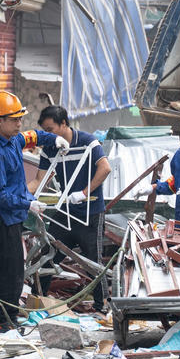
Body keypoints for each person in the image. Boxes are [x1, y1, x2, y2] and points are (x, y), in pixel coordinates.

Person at [0, 91, 68, 329]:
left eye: (20, 118)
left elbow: (33, 136)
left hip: (10, 217)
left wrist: (52, 139)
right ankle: (7, 320)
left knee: (5, 267)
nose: (20, 123)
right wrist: (27, 204)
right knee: (14, 271)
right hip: (0, 220)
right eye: (14, 119)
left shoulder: (12, 140)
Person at [30, 105, 112, 312]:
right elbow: (40, 179)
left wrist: (84, 193)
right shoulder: (50, 147)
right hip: (65, 211)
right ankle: (37, 301)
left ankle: (101, 306)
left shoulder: (87, 141)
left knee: (93, 261)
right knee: (48, 253)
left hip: (90, 212)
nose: (48, 135)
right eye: (45, 131)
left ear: (64, 124)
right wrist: (24, 197)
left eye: (51, 129)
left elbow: (105, 168)